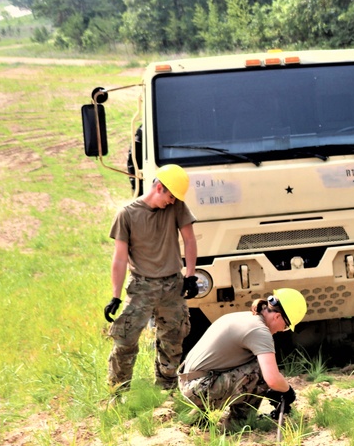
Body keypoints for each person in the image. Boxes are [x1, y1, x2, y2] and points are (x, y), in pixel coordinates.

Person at [105, 164, 199, 393]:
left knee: (173, 340)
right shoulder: (126, 214)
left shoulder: (176, 207)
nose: (173, 201)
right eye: (170, 196)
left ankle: (165, 390)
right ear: (158, 187)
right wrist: (116, 297)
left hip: (172, 285)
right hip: (141, 286)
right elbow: (119, 258)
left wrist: (190, 276)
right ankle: (117, 392)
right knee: (125, 339)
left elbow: (189, 240)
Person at [177, 289, 307, 430]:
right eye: (286, 326)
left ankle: (196, 417)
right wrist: (287, 392)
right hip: (200, 388)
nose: (283, 330)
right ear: (277, 317)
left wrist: (271, 390)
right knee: (260, 371)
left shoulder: (242, 317)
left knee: (259, 366)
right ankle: (238, 423)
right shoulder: (260, 331)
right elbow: (272, 378)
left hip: (189, 383)